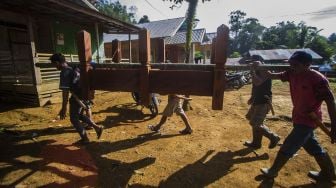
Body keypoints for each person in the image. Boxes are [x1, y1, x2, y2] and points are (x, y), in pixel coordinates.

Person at [259, 51, 336, 182]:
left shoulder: (318, 80)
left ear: (307, 65)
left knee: (289, 145)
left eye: (295, 64)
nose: (292, 66)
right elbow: (271, 76)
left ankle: (272, 172)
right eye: (290, 64)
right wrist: (260, 66)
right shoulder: (291, 73)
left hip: (309, 119)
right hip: (298, 116)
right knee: (312, 146)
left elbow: (330, 102)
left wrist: (334, 126)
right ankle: (329, 174)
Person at [49, 53, 103, 145]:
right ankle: (96, 127)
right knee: (79, 115)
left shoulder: (64, 72)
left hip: (77, 97)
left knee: (73, 119)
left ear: (57, 63)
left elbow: (65, 93)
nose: (54, 67)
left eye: (54, 64)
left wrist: (64, 108)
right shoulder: (72, 67)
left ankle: (85, 139)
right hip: (84, 94)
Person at [245, 59, 280, 149]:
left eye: (254, 62)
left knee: (255, 123)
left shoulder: (265, 71)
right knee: (251, 118)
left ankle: (273, 137)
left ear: (260, 62)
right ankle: (256, 143)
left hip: (263, 101)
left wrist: (252, 70)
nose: (252, 63)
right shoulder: (257, 70)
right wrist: (252, 97)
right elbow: (255, 86)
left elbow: (257, 82)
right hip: (257, 99)